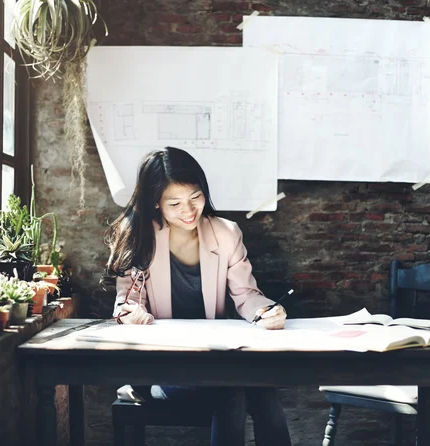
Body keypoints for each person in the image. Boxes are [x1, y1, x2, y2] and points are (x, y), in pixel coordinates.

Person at [104, 146, 291, 446]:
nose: (189, 211)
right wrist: (132, 315)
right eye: (175, 203)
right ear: (155, 202)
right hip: (164, 364)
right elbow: (128, 302)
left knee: (263, 389)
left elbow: (246, 295)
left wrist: (266, 310)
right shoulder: (140, 235)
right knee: (233, 391)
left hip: (217, 358)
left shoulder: (226, 233)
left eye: (195, 198)